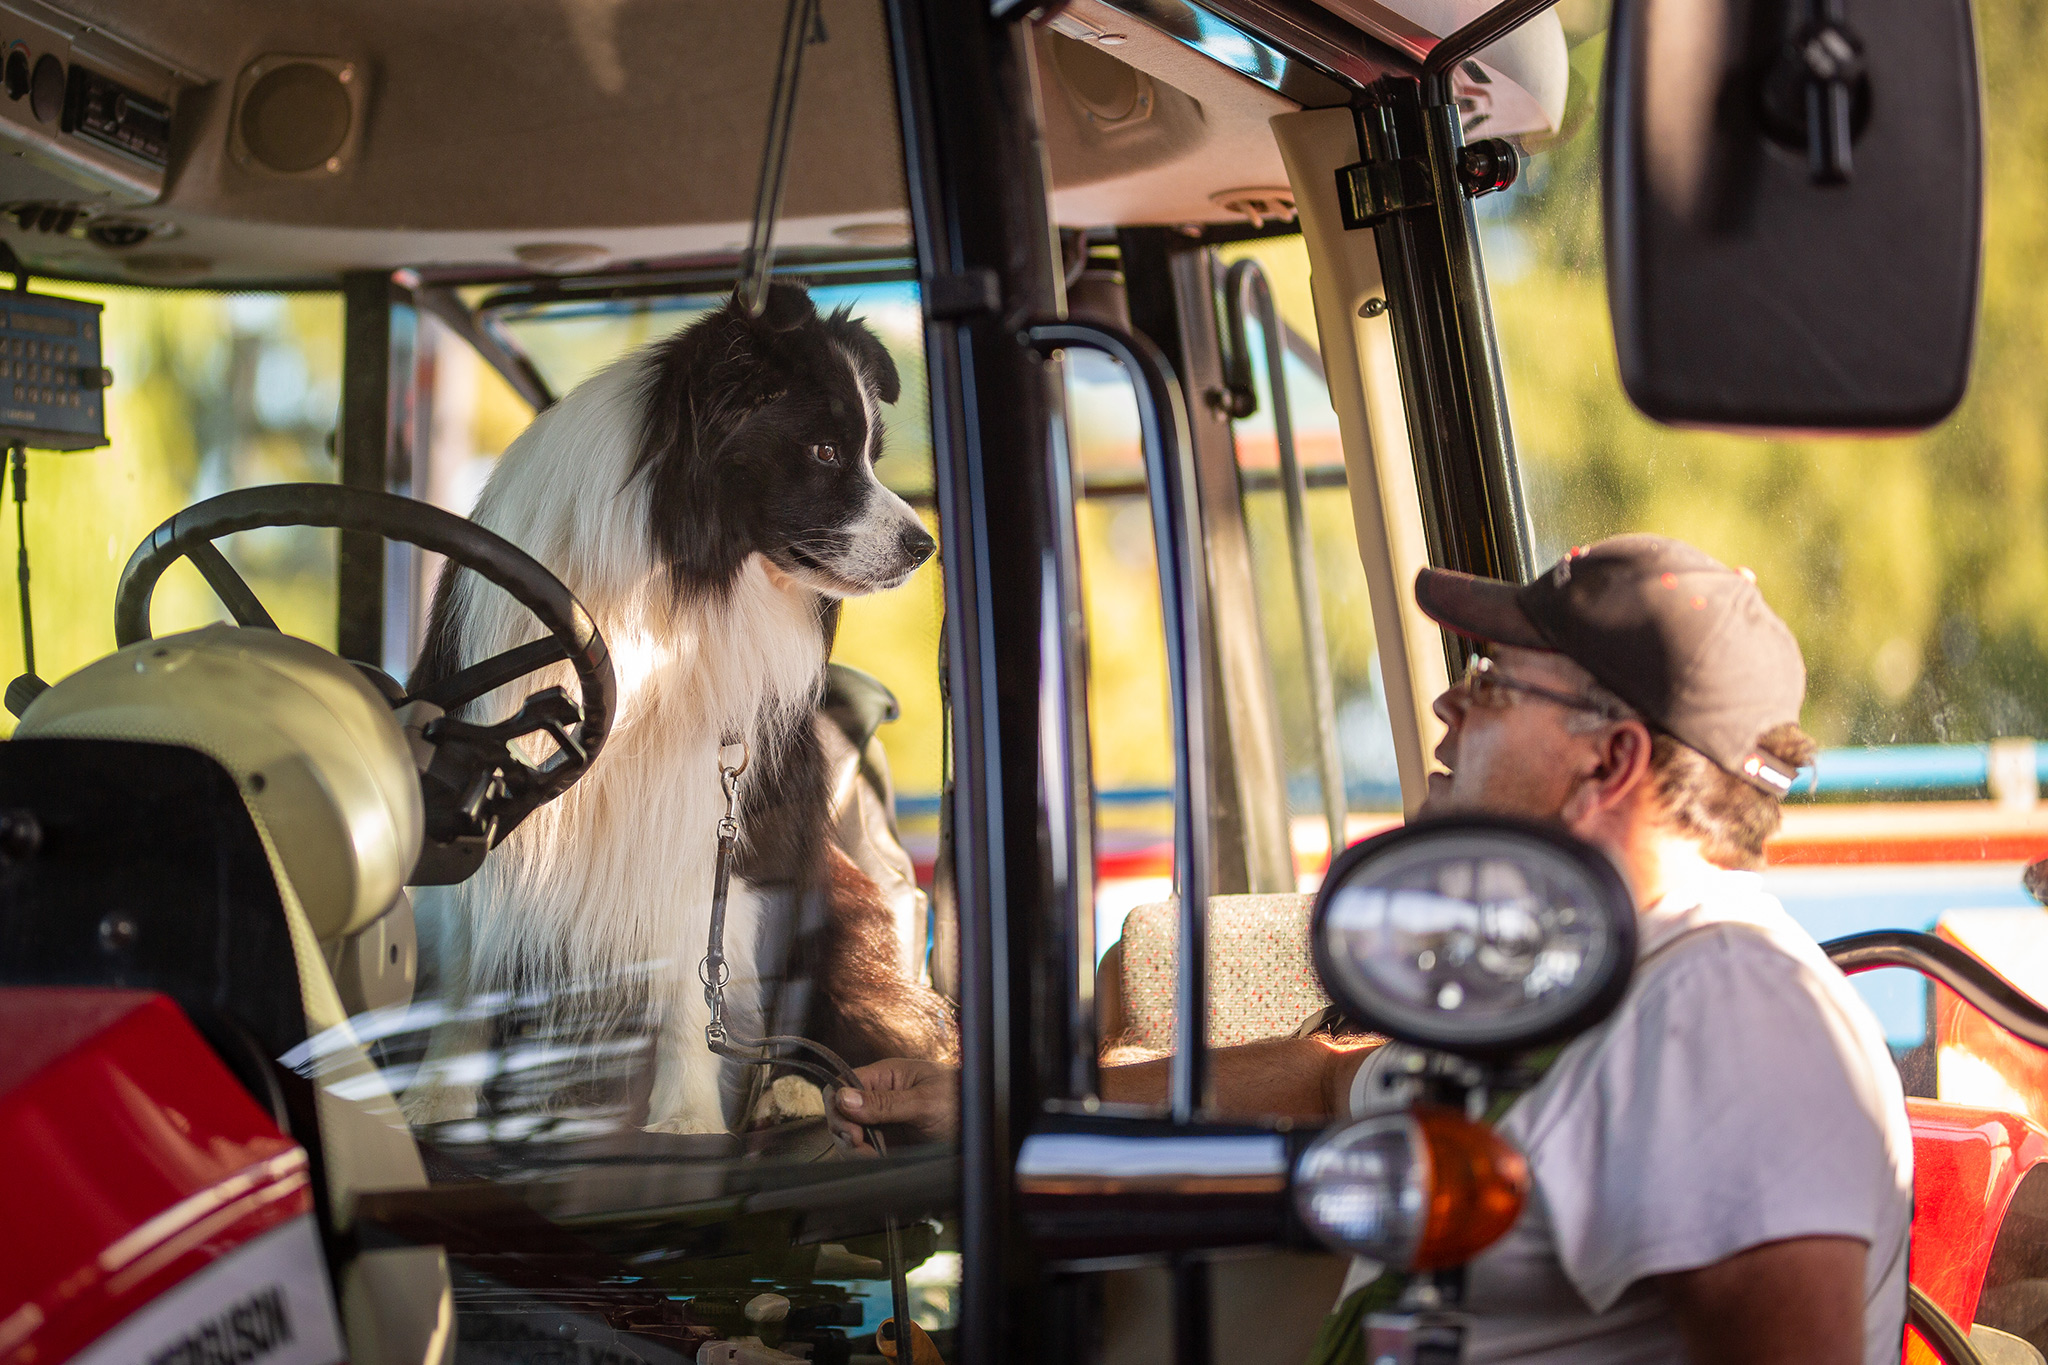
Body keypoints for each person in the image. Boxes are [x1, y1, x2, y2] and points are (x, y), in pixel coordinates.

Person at [832, 535, 1912, 1365]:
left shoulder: (1723, 1011)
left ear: (1610, 760)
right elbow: (1328, 1077)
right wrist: (994, 1100)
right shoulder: (1572, 982)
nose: (1449, 707)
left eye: (1491, 683)